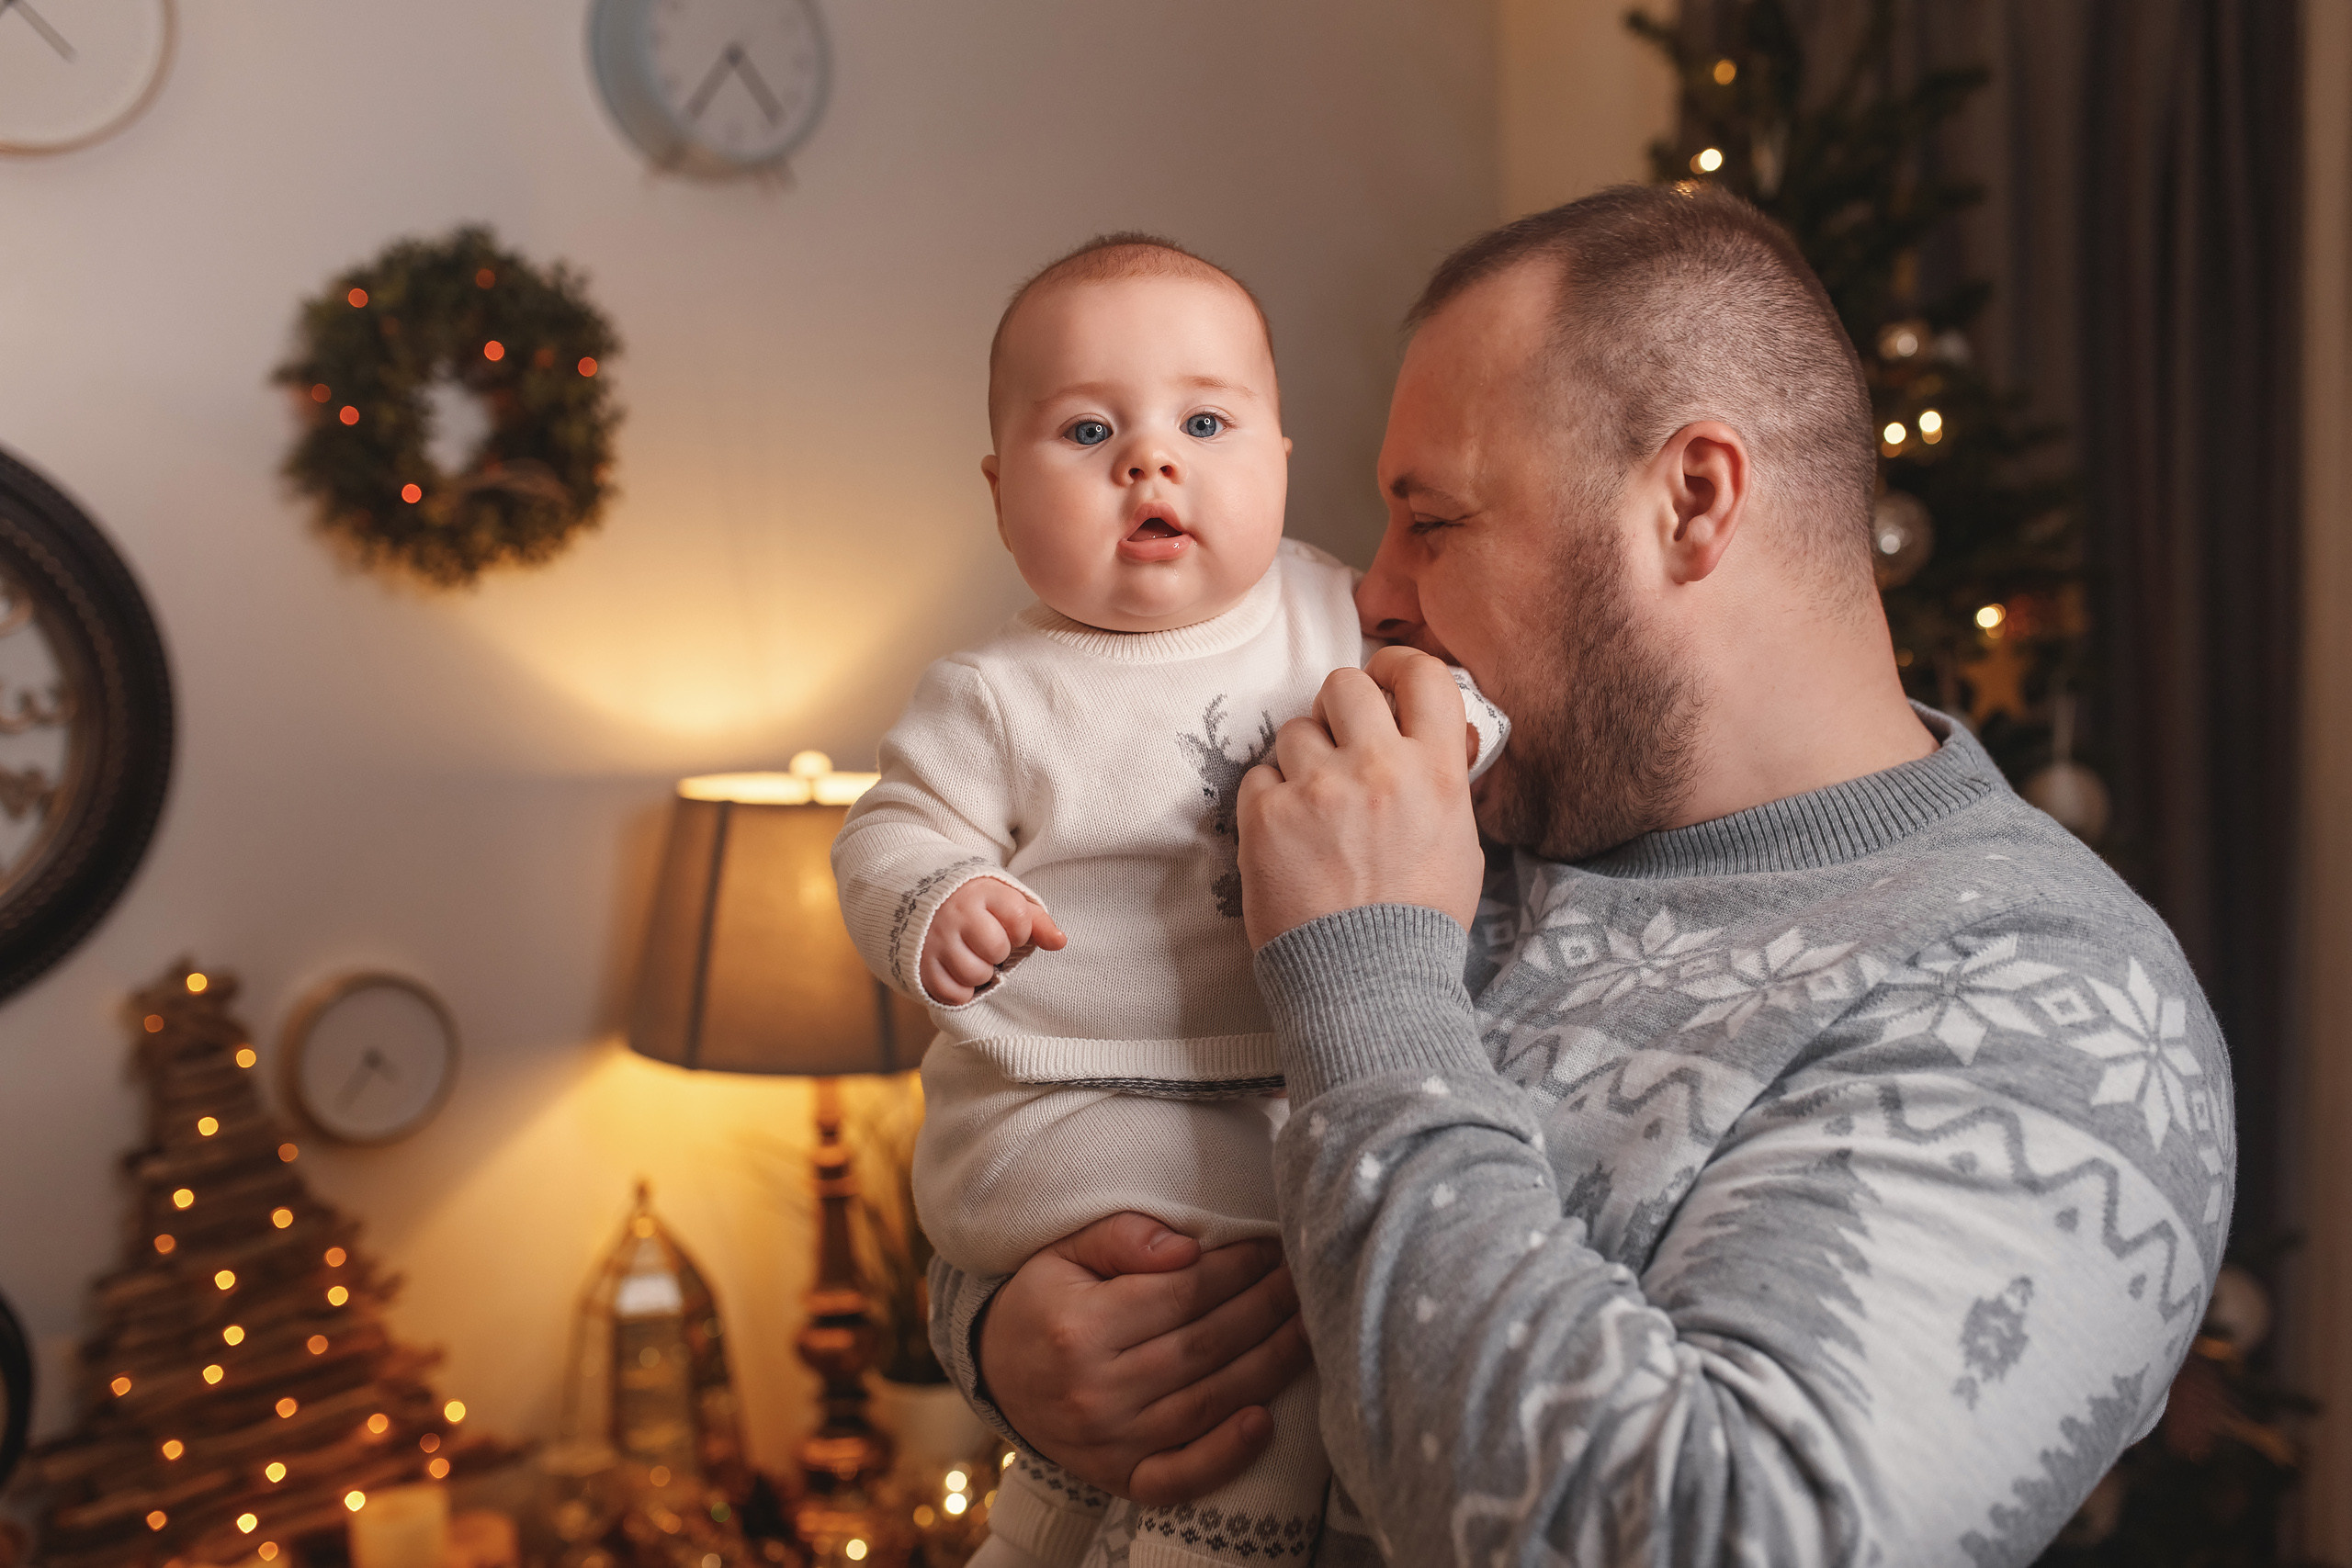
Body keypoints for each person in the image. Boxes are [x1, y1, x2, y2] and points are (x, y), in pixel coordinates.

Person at [926, 186, 2235, 1567]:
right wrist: (1005, 1337)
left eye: (1433, 521)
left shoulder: (2054, 1003)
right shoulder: (1460, 808)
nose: (1372, 593)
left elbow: (1701, 1537)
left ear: (1692, 499)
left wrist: (1367, 969)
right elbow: (1089, 1090)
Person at [832, 234, 1504, 1568]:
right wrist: (942, 896)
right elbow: (887, 832)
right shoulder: (996, 694)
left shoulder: (1326, 614)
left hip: (1267, 1094)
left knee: (1268, 1267)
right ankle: (1217, 1539)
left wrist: (1460, 732)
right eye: (1088, 430)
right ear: (997, 490)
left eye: (1205, 420)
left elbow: (1435, 702)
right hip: (1064, 1109)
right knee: (1257, 1296)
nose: (1152, 461)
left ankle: (1044, 1530)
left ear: (1280, 459)